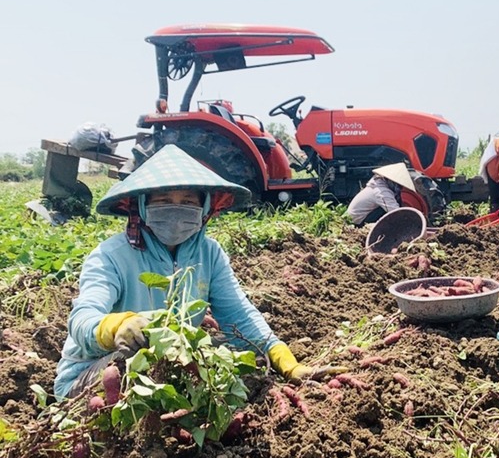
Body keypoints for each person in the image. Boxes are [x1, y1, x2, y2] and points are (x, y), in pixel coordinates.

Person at [54, 145, 343, 400]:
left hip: (168, 365)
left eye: (189, 202)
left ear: (205, 209)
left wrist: (285, 361)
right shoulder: (111, 255)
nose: (177, 210)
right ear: (141, 206)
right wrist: (116, 327)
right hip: (94, 371)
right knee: (128, 362)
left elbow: (238, 316)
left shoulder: (209, 253)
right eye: (163, 201)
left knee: (217, 354)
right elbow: (82, 319)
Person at [345, 163, 418, 226]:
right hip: (356, 222)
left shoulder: (378, 184)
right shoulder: (381, 192)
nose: (398, 188)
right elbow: (396, 212)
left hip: (361, 217)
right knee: (388, 213)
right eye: (398, 185)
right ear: (390, 180)